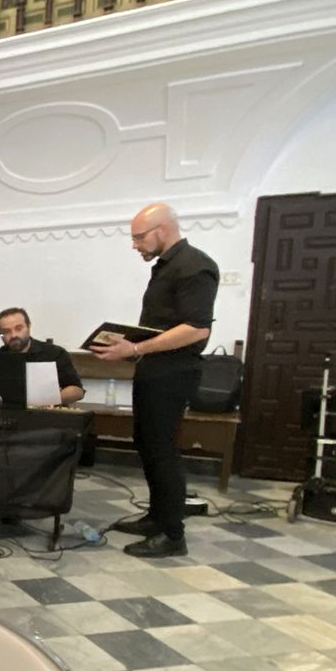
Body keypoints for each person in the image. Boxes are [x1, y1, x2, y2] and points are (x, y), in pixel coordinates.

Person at [90, 203, 219, 559]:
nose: (135, 245)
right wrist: (132, 347)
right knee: (146, 444)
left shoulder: (196, 265)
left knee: (162, 451)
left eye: (139, 237)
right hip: (153, 369)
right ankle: (157, 517)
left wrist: (136, 347)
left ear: (162, 229)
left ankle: (173, 534)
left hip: (173, 372)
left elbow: (196, 328)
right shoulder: (167, 267)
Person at [0, 307, 85, 406]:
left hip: (46, 414)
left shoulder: (54, 353)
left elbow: (77, 391)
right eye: (6, 331)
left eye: (19, 328)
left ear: (28, 326)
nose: (13, 335)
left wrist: (49, 400)